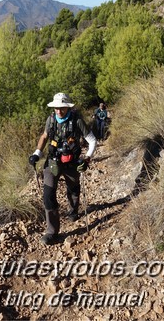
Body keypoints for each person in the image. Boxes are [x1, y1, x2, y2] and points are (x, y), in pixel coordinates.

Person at [28, 93, 97, 245]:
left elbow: (92, 141)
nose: (59, 111)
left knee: (73, 188)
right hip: (53, 162)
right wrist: (37, 153)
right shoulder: (51, 119)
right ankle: (52, 231)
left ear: (67, 107)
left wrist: (86, 159)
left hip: (72, 163)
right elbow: (45, 136)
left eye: (62, 108)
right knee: (48, 195)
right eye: (56, 108)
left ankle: (73, 211)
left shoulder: (77, 120)